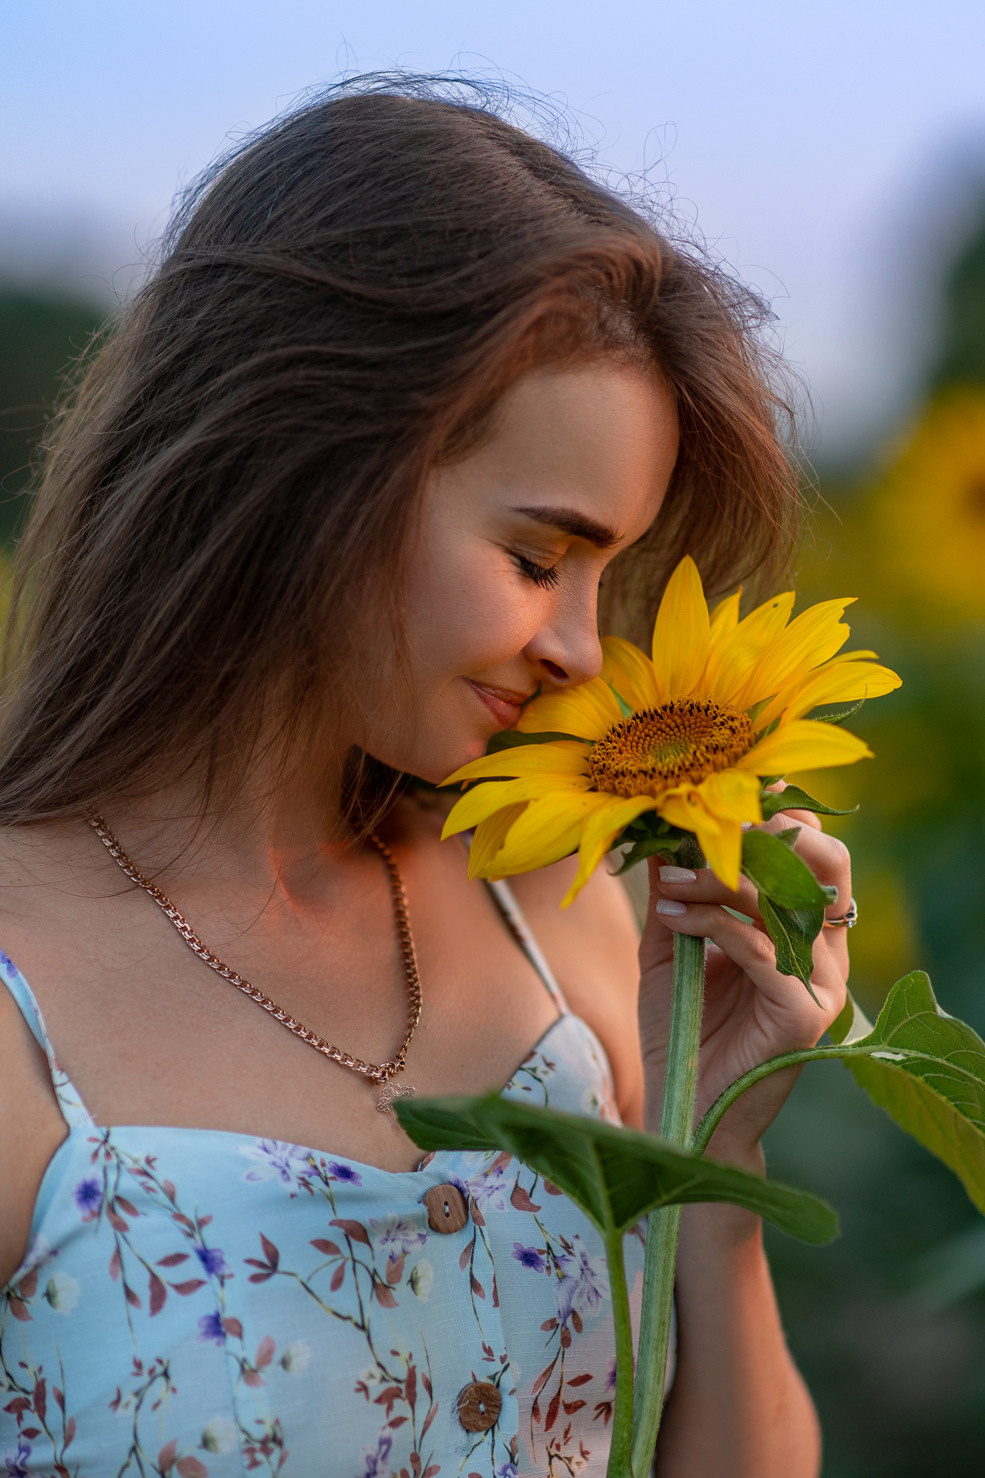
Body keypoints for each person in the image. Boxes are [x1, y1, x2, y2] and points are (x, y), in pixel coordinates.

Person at [0, 75, 851, 1477]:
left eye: (608, 573)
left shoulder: (560, 910)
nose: (583, 649)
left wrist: (716, 1156)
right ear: (311, 460)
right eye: (535, 557)